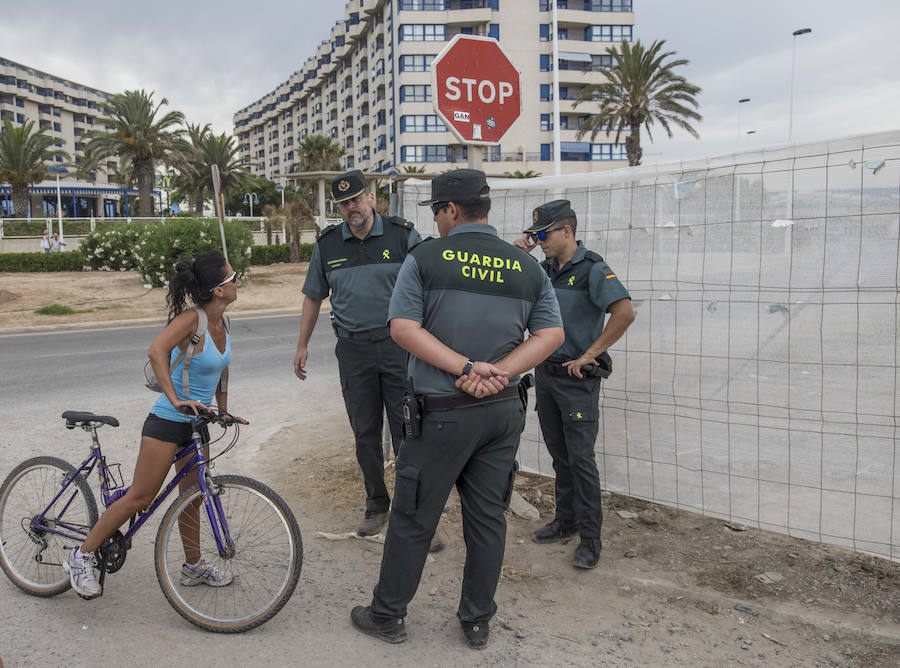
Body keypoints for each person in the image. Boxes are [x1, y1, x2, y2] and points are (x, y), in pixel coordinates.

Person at [350, 169, 564, 649]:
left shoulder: (426, 257)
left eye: (438, 212)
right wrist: (501, 373)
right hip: (502, 412)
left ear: (450, 210)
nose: (438, 220)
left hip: (440, 412)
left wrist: (467, 367)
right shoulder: (524, 265)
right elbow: (551, 335)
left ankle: (387, 615)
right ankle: (476, 620)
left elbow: (403, 327)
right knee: (488, 517)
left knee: (412, 517)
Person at [63, 250, 247, 599]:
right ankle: (81, 555)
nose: (238, 280)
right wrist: (175, 398)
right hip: (166, 420)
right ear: (218, 290)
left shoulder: (224, 323)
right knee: (140, 498)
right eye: (232, 276)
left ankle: (193, 567)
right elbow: (155, 351)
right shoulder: (192, 319)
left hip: (197, 424)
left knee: (192, 498)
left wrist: (223, 410)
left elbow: (221, 368)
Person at [293, 169, 422, 538]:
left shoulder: (402, 235)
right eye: (344, 203)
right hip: (352, 350)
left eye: (356, 199)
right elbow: (313, 296)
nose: (352, 208)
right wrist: (301, 345)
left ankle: (411, 512)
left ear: (370, 197)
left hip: (400, 348)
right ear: (339, 207)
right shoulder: (328, 245)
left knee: (407, 432)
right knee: (365, 433)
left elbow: (429, 284)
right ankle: (376, 504)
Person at [514, 199, 635, 569]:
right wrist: (519, 252)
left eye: (543, 233)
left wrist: (591, 353)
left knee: (581, 459)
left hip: (575, 379)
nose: (539, 240)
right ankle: (565, 522)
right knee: (560, 456)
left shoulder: (592, 269)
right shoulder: (544, 269)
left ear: (566, 230)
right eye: (534, 235)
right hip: (547, 376)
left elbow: (624, 312)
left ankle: (590, 539)